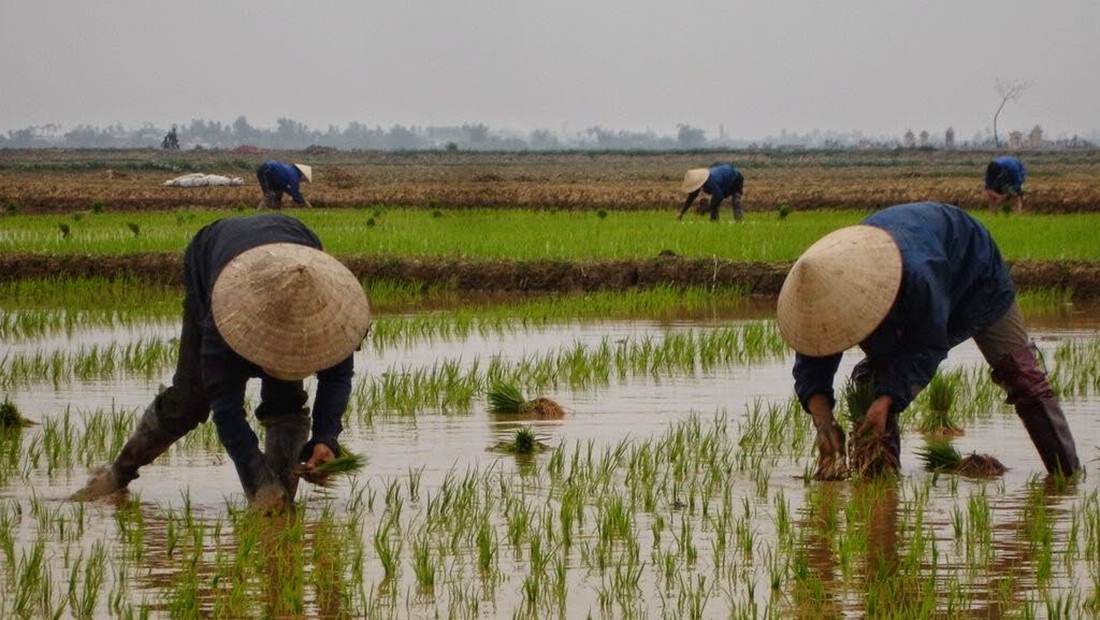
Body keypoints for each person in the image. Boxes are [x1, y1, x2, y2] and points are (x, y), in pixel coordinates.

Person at [73, 213, 371, 511]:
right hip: (213, 257)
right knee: (189, 401)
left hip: (293, 246)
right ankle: (117, 474)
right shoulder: (226, 318)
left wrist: (326, 439)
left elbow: (337, 376)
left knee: (286, 402)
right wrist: (258, 484)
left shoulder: (332, 315)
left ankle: (280, 508)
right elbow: (226, 411)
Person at [778, 202, 1080, 479]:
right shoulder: (820, 293)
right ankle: (881, 484)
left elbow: (927, 345)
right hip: (913, 271)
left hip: (974, 273)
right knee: (875, 380)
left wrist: (888, 400)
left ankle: (1067, 476)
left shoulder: (917, 276)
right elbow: (813, 360)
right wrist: (823, 420)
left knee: (1020, 374)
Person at [678, 163, 745, 221]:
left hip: (735, 179)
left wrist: (708, 209)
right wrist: (682, 212)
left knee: (736, 201)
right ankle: (714, 223)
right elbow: (691, 197)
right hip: (722, 183)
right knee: (714, 202)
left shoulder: (710, 181)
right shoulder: (699, 183)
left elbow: (719, 196)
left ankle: (739, 222)